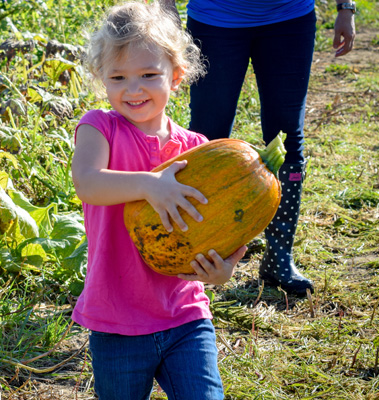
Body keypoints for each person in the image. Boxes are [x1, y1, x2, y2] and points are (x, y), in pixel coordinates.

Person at [71, 2, 247, 399]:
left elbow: (224, 225)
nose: (133, 89)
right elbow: (88, 183)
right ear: (103, 78)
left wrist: (223, 271)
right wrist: (151, 185)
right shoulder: (98, 128)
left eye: (149, 75)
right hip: (116, 321)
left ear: (177, 76)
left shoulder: (198, 150)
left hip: (186, 314)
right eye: (118, 77)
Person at [163, 0, 356, 295]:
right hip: (215, 21)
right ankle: (196, 257)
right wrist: (167, 10)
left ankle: (279, 259)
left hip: (290, 19)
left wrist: (346, 7)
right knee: (206, 139)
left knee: (286, 139)